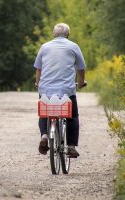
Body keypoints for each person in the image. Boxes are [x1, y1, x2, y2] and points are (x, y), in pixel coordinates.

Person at [33, 23, 86, 157]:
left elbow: (39, 69)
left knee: (44, 113)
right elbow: (81, 68)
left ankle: (44, 136)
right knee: (72, 116)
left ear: (53, 35)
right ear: (68, 35)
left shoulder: (44, 47)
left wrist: (37, 83)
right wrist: (80, 83)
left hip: (46, 89)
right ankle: (71, 146)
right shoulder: (73, 46)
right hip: (66, 90)